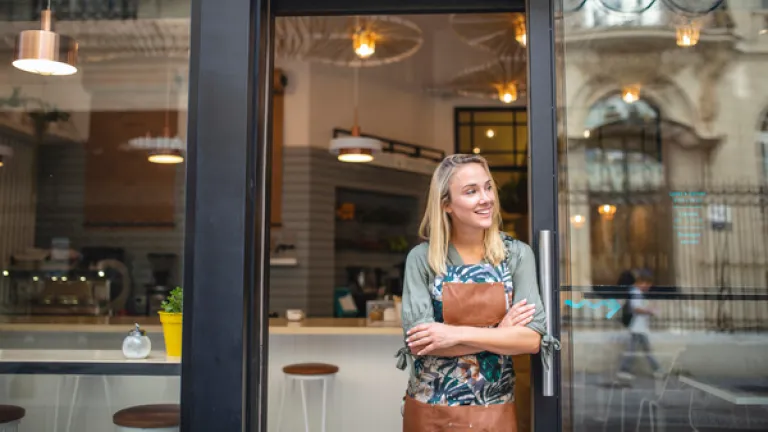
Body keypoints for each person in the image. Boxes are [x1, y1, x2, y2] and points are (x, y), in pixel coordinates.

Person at [395, 154, 559, 431]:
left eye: (488, 187)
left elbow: (531, 340)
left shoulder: (516, 255)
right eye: (471, 191)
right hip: (430, 409)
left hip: (493, 408)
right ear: (446, 204)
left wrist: (453, 334)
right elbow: (421, 344)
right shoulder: (422, 259)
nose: (486, 198)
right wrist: (500, 333)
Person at [616, 269, 663, 382]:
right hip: (637, 328)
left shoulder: (637, 293)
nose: (648, 287)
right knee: (643, 351)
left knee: (636, 350)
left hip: (638, 328)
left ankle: (625, 370)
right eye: (647, 284)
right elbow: (636, 309)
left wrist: (649, 310)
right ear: (642, 282)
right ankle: (657, 370)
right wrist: (650, 311)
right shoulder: (635, 292)